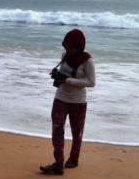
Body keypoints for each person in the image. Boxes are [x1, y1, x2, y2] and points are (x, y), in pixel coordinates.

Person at [40, 28, 96, 175]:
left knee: (77, 133)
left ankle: (74, 158)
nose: (68, 49)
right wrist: (57, 76)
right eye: (66, 46)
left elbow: (91, 82)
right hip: (60, 98)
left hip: (78, 101)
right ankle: (58, 164)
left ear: (79, 45)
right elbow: (64, 74)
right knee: (56, 130)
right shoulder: (64, 55)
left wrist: (69, 80)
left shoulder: (88, 60)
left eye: (71, 46)